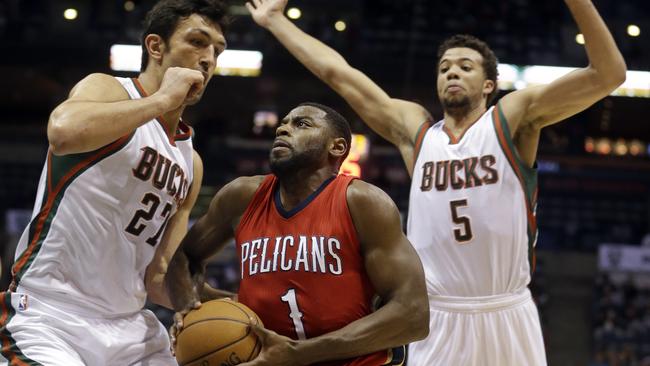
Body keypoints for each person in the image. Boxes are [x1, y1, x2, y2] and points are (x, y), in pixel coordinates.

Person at [246, 0, 627, 365]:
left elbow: (609, 74)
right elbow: (340, 75)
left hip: (506, 308)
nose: (452, 73)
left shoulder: (509, 120)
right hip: (439, 313)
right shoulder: (419, 134)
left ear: (489, 85)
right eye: (445, 67)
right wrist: (276, 21)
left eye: (465, 66)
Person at [0, 1, 229, 364]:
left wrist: (232, 304)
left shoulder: (191, 162)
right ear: (156, 47)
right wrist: (163, 100)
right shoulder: (109, 89)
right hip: (51, 315)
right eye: (197, 42)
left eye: (217, 49)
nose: (208, 58)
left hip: (129, 329)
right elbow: (62, 132)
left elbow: (160, 276)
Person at [166, 103, 429, 365]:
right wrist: (189, 305)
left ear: (337, 147)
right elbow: (184, 258)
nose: (282, 129)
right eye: (283, 123)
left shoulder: (362, 202)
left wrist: (300, 353)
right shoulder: (241, 196)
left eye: (301, 124)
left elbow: (413, 314)